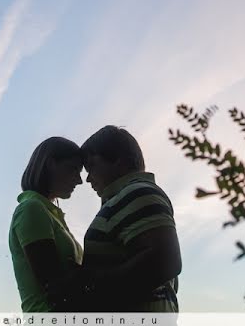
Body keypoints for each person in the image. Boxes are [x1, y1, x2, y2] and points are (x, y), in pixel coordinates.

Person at [73, 125, 182, 312]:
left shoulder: (137, 192)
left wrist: (88, 282)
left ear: (117, 160)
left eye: (91, 167)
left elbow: (165, 261)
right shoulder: (126, 198)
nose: (88, 179)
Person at [9, 137, 84, 312]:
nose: (79, 180)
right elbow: (55, 285)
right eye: (73, 169)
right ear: (51, 164)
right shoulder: (31, 209)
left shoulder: (48, 213)